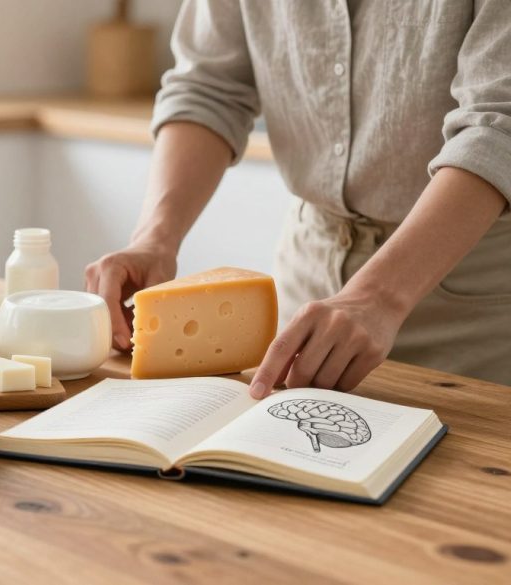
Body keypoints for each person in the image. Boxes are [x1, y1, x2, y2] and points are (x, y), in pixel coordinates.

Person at [85, 1, 511, 396]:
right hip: (306, 274)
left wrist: (379, 297)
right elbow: (207, 87)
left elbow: (497, 126)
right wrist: (153, 239)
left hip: (470, 298)